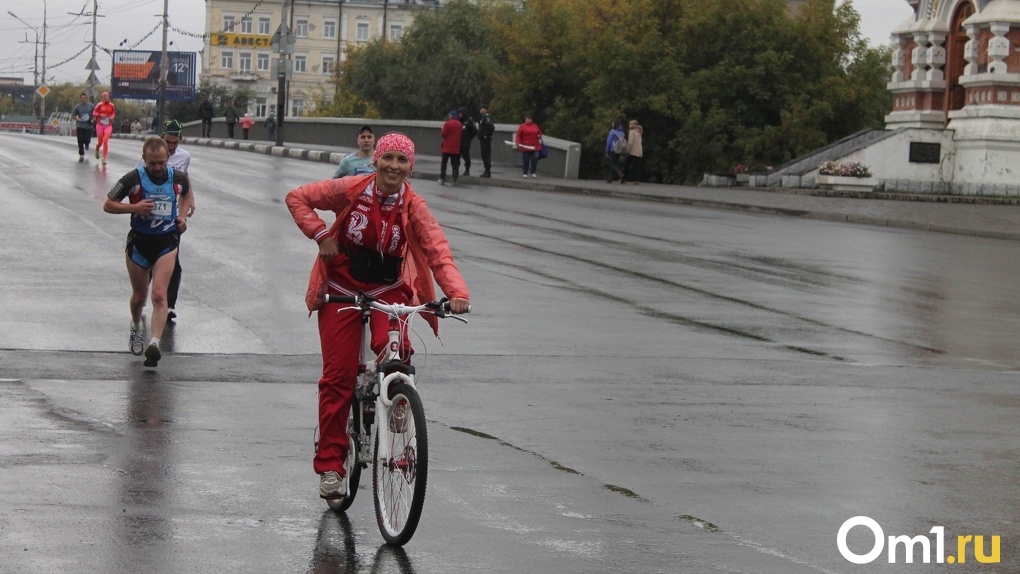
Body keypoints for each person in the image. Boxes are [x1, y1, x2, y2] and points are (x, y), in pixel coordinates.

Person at [285, 132, 470, 499]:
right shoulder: (351, 188)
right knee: (338, 378)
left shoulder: (414, 206)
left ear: (410, 168)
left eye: (402, 161)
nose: (393, 166)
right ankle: (332, 466)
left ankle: (397, 400)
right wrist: (320, 234)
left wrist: (457, 292)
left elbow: (437, 251)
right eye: (388, 158)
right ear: (376, 160)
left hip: (388, 290)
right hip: (341, 288)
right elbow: (298, 198)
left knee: (395, 354)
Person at [103, 137, 194, 368]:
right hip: (139, 243)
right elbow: (108, 204)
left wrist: (182, 218)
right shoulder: (133, 178)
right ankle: (135, 326)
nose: (157, 168)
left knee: (160, 295)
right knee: (140, 297)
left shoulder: (176, 176)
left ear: (167, 160)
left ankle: (154, 344)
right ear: (144, 160)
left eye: (161, 163)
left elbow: (187, 194)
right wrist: (134, 207)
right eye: (152, 163)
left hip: (166, 243)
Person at [134, 119, 194, 322]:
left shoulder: (184, 157)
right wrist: (138, 207)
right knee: (147, 262)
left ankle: (168, 304)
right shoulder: (151, 157)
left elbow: (184, 180)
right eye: (168, 141)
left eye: (175, 142)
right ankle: (142, 298)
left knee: (173, 263)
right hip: (148, 218)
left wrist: (185, 209)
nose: (171, 146)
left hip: (171, 219)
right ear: (161, 138)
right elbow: (135, 181)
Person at [92, 92, 116, 166]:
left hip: (108, 125)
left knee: (105, 140)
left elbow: (113, 113)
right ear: (102, 97)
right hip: (100, 125)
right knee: (100, 142)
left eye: (106, 96)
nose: (105, 97)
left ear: (109, 97)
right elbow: (94, 112)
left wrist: (112, 117)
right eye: (103, 96)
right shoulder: (99, 105)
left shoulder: (112, 105)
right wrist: (100, 115)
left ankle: (104, 158)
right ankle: (97, 149)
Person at [438, 110, 462, 185]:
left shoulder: (447, 124)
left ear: (451, 116)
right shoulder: (459, 124)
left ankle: (442, 178)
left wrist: (442, 128)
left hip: (447, 147)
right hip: (455, 147)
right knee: (455, 164)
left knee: (444, 164)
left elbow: (443, 134)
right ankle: (455, 179)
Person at [71, 93, 95, 161]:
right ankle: (81, 154)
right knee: (80, 140)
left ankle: (87, 144)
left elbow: (95, 114)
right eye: (82, 98)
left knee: (87, 139)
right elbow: (73, 115)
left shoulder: (91, 106)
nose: (83, 99)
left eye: (84, 97)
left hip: (88, 126)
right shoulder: (78, 107)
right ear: (80, 99)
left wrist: (93, 119)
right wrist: (77, 118)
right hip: (80, 126)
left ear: (86, 98)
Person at [622, 119, 644, 185]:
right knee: (637, 166)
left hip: (632, 151)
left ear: (633, 125)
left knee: (627, 165)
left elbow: (630, 143)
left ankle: (623, 179)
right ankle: (637, 180)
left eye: (630, 124)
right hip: (639, 151)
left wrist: (627, 150)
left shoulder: (632, 132)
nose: (629, 125)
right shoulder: (639, 132)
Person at [457, 107, 477, 176]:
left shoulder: (469, 120)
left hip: (465, 142)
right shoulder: (458, 120)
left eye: (461, 113)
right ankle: (456, 169)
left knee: (466, 157)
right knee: (456, 157)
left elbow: (474, 131)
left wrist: (468, 138)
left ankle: (467, 170)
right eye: (458, 113)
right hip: (458, 142)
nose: (459, 114)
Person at [477, 105, 494, 178]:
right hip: (483, 138)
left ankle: (487, 171)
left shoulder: (487, 116)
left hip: (485, 139)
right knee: (484, 154)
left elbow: (490, 126)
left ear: (484, 109)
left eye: (481, 109)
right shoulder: (483, 117)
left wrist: (485, 134)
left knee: (486, 154)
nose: (480, 111)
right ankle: (486, 170)